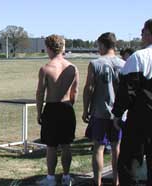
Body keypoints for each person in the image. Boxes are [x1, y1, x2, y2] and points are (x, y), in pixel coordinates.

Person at [112, 19, 152, 186]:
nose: (141, 35)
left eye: (143, 32)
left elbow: (128, 92)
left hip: (141, 118)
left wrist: (117, 114)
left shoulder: (139, 57)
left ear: (149, 33)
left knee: (128, 162)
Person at [82, 32, 125, 186]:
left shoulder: (95, 64)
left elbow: (89, 88)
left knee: (98, 148)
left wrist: (85, 109)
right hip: (118, 115)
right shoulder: (123, 64)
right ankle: (116, 181)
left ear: (102, 45)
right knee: (116, 148)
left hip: (100, 112)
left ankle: (97, 181)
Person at [36, 34, 79, 186]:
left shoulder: (46, 68)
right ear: (63, 48)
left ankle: (51, 178)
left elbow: (40, 93)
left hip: (52, 108)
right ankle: (67, 177)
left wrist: (39, 112)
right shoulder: (73, 68)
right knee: (66, 145)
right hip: (67, 107)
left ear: (48, 48)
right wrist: (69, 105)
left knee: (51, 146)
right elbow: (75, 92)